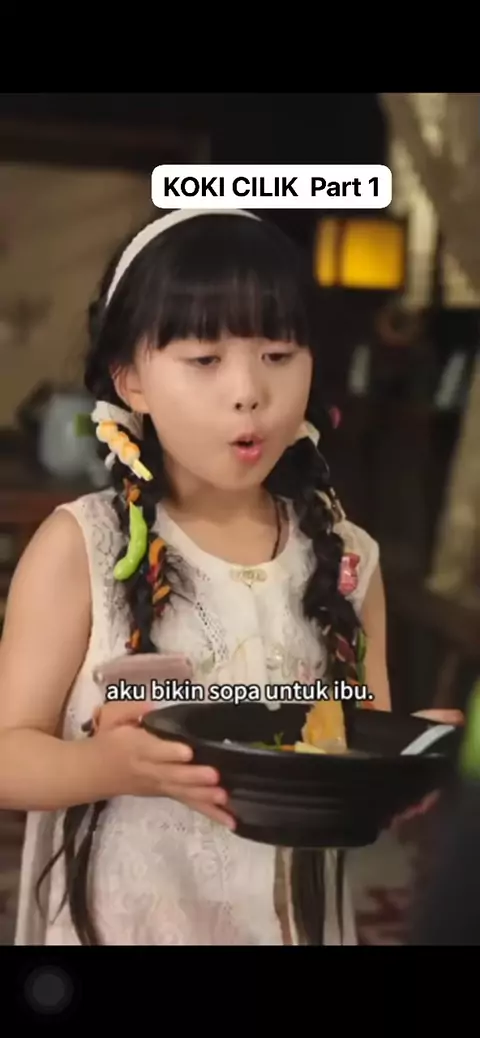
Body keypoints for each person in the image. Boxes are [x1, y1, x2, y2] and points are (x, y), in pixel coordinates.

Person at [0, 208, 460, 947]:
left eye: (278, 354)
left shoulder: (347, 559)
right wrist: (105, 766)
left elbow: (355, 748)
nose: (248, 390)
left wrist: (408, 763)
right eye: (204, 359)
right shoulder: (81, 547)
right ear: (131, 379)